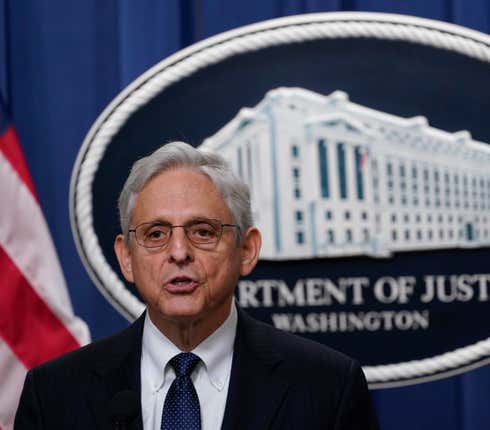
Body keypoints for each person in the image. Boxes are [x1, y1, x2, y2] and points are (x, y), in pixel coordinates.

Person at [15, 141, 379, 430]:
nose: (178, 253)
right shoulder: (55, 394)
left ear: (247, 250)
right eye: (155, 234)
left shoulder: (327, 386)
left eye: (202, 232)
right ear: (126, 257)